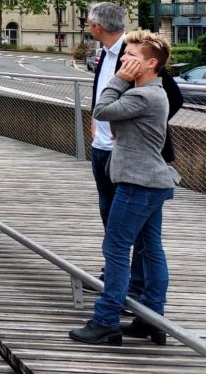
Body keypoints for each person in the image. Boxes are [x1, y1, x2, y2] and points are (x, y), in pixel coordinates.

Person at [69, 30, 180, 346]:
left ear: (152, 63)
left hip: (137, 184)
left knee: (116, 248)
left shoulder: (143, 95)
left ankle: (106, 319)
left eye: (132, 56)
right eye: (124, 55)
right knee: (150, 249)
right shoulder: (151, 92)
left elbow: (101, 110)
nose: (124, 60)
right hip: (149, 181)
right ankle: (151, 318)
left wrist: (118, 79)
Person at [86, 2, 183, 299]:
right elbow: (101, 96)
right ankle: (118, 274)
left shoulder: (136, 54)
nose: (88, 27)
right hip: (103, 148)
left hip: (132, 159)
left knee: (135, 231)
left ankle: (133, 285)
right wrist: (95, 121)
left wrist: (139, 128)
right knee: (111, 217)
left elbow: (172, 97)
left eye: (89, 22)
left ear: (98, 26)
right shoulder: (106, 54)